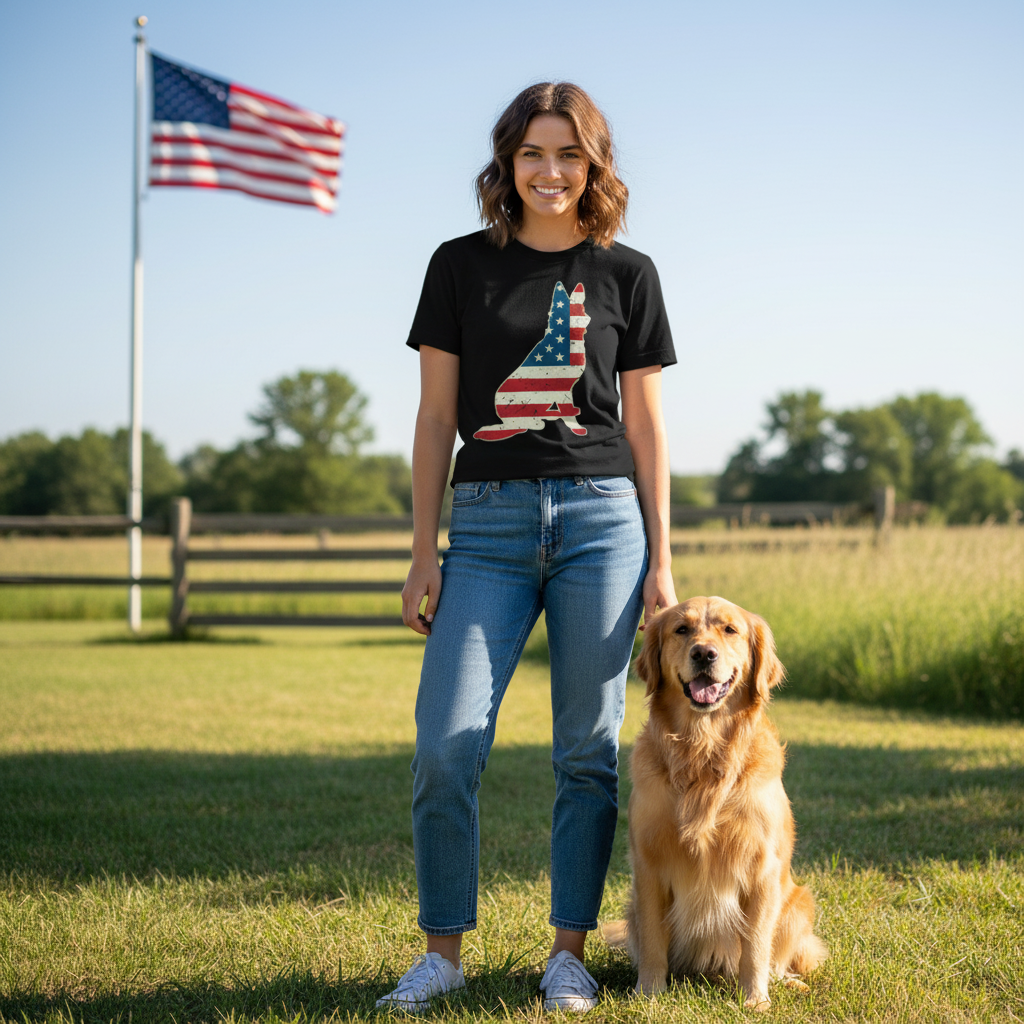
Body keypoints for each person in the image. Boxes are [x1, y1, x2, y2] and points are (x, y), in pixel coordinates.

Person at [376, 81, 678, 1014]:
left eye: (569, 155)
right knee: (444, 743)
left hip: (603, 522)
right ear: (507, 164)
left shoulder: (629, 274)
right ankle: (443, 957)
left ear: (595, 166)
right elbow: (434, 420)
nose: (551, 173)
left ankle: (568, 956)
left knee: (586, 752)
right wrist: (424, 549)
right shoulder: (459, 267)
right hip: (490, 526)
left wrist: (662, 561)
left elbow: (648, 428)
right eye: (533, 154)